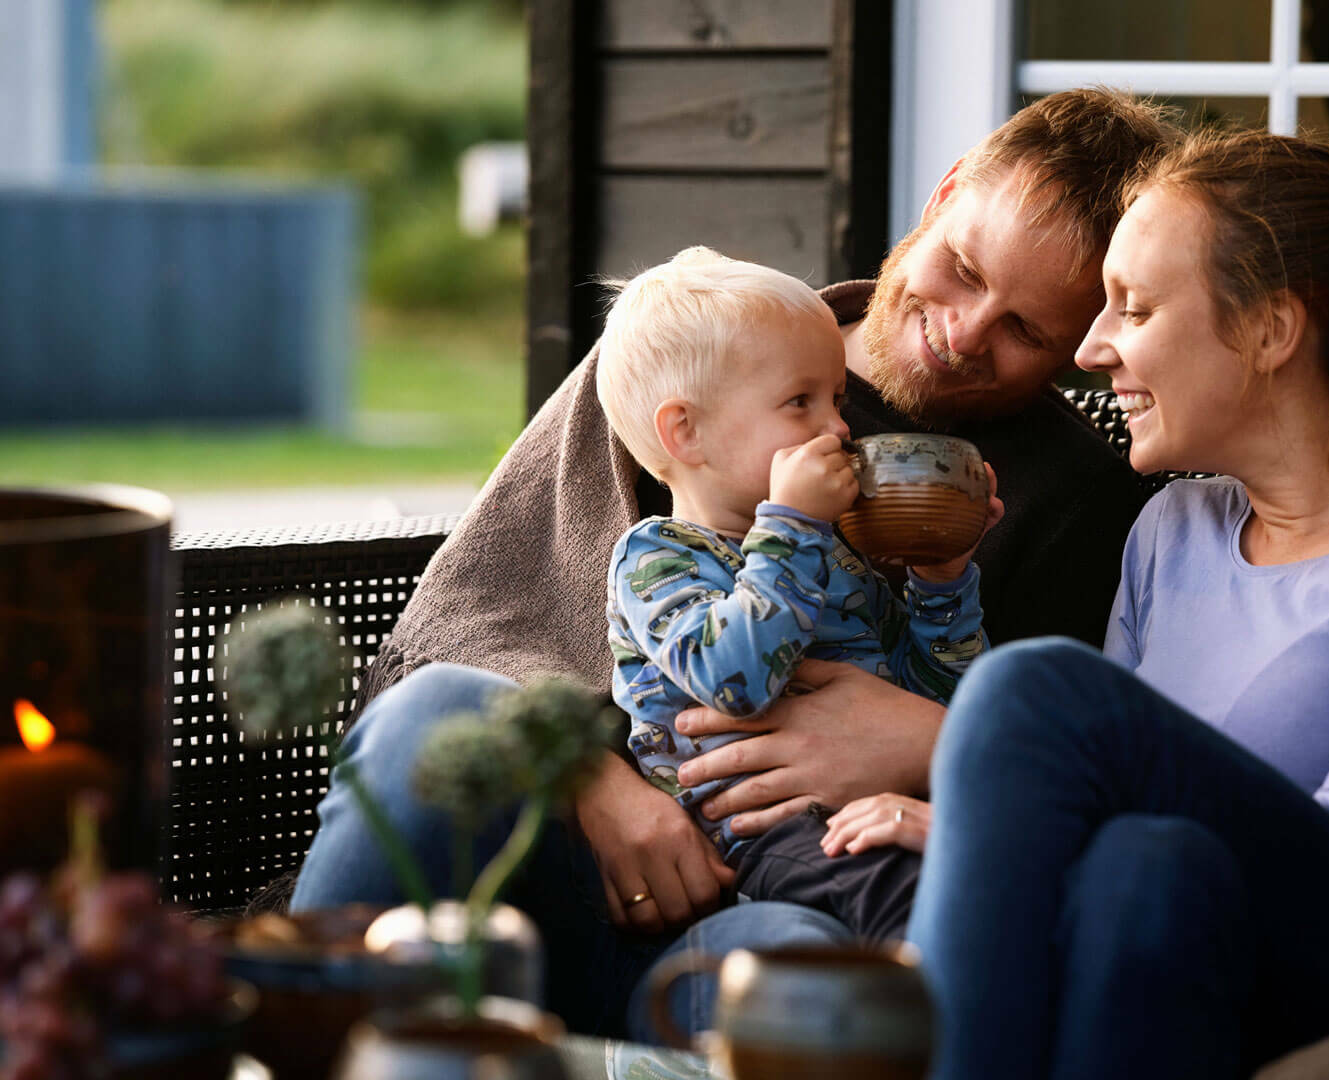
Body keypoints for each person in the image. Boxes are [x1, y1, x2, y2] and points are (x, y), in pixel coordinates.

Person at [290, 88, 1179, 1038]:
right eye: (961, 269)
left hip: (757, 913)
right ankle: (287, 1027)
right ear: (943, 194)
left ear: (1083, 345)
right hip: (535, 874)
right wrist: (595, 780)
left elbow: (1038, 777)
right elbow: (439, 651)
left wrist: (923, 731)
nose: (963, 332)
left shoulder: (1072, 502)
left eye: (1026, 331)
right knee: (432, 719)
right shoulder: (684, 358)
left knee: (803, 968)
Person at [894, 128, 1329, 1079]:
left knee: (1032, 695)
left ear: (1272, 329)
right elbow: (1128, 840)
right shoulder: (1169, 531)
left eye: (1135, 309)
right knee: (1142, 872)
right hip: (1209, 955)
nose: (1094, 348)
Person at [597, 246, 996, 942]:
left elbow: (930, 699)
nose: (840, 430)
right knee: (909, 899)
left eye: (836, 400)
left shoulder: (831, 554)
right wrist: (791, 524)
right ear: (685, 432)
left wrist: (942, 579)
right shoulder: (657, 559)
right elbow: (736, 681)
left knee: (990, 879)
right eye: (799, 402)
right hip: (751, 839)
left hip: (872, 809)